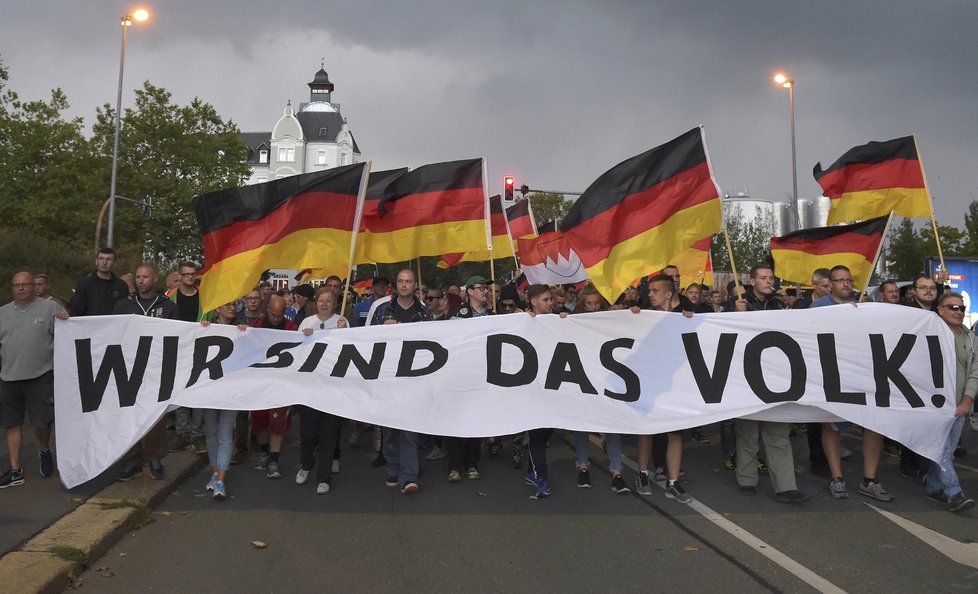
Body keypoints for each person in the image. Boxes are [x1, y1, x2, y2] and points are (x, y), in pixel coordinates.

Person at [810, 265, 893, 502]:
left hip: (864, 374)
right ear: (831, 283)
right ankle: (837, 477)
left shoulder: (865, 307)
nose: (845, 284)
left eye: (849, 280)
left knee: (874, 423)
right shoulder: (818, 308)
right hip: (832, 375)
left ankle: (869, 479)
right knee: (831, 426)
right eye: (840, 280)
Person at [732, 265, 809, 503]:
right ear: (751, 281)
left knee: (778, 433)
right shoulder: (737, 305)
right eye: (763, 278)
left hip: (776, 378)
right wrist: (734, 314)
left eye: (771, 278)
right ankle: (747, 479)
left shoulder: (780, 306)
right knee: (748, 433)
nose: (768, 281)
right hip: (747, 378)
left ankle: (786, 487)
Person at [0, 272, 69, 488]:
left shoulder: (50, 309)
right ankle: (15, 470)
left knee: (41, 424)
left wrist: (66, 321)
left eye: (25, 285)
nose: (21, 289)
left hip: (40, 376)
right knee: (12, 424)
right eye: (16, 285)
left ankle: (44, 449)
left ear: (34, 286)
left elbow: (68, 333)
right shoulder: (2, 313)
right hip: (9, 377)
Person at [113, 263, 178, 481]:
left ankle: (154, 458)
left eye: (145, 277)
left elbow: (179, 337)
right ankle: (131, 460)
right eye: (138, 277)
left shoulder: (168, 307)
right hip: (128, 369)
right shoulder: (123, 305)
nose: (141, 280)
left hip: (156, 370)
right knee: (128, 414)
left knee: (154, 416)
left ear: (155, 279)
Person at [372, 269, 433, 494]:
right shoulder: (381, 310)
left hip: (413, 377)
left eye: (408, 281)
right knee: (390, 427)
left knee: (409, 428)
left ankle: (409, 477)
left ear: (415, 284)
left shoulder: (424, 312)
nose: (404, 285)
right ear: (395, 284)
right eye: (400, 281)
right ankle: (394, 467)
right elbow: (367, 340)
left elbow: (432, 342)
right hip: (388, 376)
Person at [634, 275, 692, 503]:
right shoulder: (641, 316)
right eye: (650, 290)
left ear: (669, 294)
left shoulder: (683, 318)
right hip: (648, 382)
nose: (650, 294)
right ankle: (642, 473)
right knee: (646, 430)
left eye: (656, 290)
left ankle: (673, 482)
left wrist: (688, 319)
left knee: (675, 433)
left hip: (674, 385)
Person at [569, 286, 630, 494]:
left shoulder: (610, 319)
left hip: (607, 380)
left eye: (596, 303)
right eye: (589, 304)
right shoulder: (573, 320)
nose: (593, 308)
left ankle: (617, 472)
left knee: (611, 425)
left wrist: (637, 316)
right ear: (582, 304)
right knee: (583, 425)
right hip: (583, 379)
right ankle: (582, 467)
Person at [926, 292, 976, 512]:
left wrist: (967, 401)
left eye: (961, 308)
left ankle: (933, 486)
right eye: (953, 307)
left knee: (946, 448)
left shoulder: (972, 339)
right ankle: (955, 493)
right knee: (943, 450)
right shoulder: (927, 335)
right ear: (941, 310)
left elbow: (975, 373)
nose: (958, 312)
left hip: (959, 405)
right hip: (934, 406)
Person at [295, 288, 348, 494]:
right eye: (321, 301)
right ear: (315, 303)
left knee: (328, 434)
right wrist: (303, 337)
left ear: (335, 304)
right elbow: (296, 350)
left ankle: (324, 476)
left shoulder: (342, 322)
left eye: (329, 301)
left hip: (333, 388)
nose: (325, 304)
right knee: (308, 433)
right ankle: (306, 465)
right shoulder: (306, 322)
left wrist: (344, 333)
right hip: (309, 387)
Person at [199, 302, 247, 500]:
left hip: (231, 391)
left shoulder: (242, 328)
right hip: (210, 389)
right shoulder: (205, 327)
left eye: (234, 304)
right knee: (211, 433)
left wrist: (245, 334)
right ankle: (215, 472)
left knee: (225, 434)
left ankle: (220, 480)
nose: (231, 308)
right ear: (217, 309)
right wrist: (199, 331)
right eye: (226, 305)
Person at [250, 295, 299, 479]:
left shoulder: (292, 329)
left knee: (279, 422)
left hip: (281, 382)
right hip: (259, 381)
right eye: (273, 314)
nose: (277, 319)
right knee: (260, 420)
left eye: (280, 315)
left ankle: (274, 460)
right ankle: (263, 450)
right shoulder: (255, 327)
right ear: (267, 309)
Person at [523, 284, 558, 499]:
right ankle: (542, 478)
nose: (550, 303)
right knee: (537, 434)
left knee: (548, 428)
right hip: (531, 387)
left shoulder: (559, 319)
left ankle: (531, 470)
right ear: (534, 302)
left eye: (550, 299)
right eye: (546, 300)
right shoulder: (524, 321)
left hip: (552, 384)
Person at [167, 261, 206, 454]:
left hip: (200, 349)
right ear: (179, 276)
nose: (189, 277)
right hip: (178, 349)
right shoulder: (169, 297)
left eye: (192, 274)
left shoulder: (206, 296)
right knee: (179, 391)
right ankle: (183, 433)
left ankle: (197, 435)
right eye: (186, 274)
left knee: (198, 392)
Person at [69, 247, 130, 316]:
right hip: (89, 326)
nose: (104, 262)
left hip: (114, 326)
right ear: (96, 261)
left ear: (114, 263)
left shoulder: (121, 286)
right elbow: (75, 311)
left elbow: (125, 312)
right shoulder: (84, 285)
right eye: (101, 258)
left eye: (108, 259)